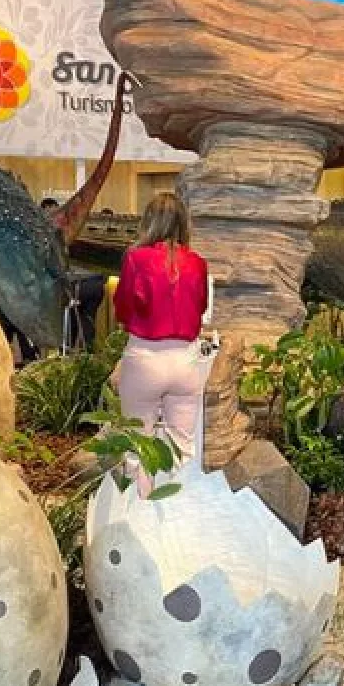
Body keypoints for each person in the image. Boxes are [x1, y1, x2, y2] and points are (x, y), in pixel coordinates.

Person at [111, 192, 210, 487]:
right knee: (183, 448)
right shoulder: (198, 263)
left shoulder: (136, 259)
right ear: (183, 223)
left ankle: (139, 505)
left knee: (137, 445)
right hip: (187, 360)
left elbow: (123, 308)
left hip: (145, 358)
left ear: (149, 222)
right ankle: (179, 508)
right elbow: (201, 307)